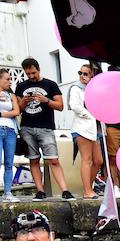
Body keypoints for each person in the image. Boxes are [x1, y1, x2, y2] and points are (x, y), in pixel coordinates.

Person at [15, 58, 74, 200]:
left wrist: (45, 100)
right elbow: (18, 110)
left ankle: (65, 191)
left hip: (46, 127)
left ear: (38, 69)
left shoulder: (50, 84)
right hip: (27, 127)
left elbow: (60, 106)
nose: (31, 76)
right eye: (28, 73)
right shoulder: (21, 86)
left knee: (53, 160)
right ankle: (40, 191)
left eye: (33, 73)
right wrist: (23, 102)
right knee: (33, 160)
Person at [69, 65, 104, 200]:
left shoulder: (93, 91)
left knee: (98, 160)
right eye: (80, 73)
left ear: (92, 77)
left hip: (93, 130)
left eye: (86, 74)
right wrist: (90, 115)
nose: (82, 76)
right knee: (87, 159)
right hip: (82, 128)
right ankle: (88, 191)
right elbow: (75, 106)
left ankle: (88, 187)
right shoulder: (76, 88)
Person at [0, 67, 20, 202]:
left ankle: (7, 192)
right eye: (7, 79)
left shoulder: (10, 95)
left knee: (9, 162)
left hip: (10, 130)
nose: (10, 82)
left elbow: (16, 111)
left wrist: (1, 114)